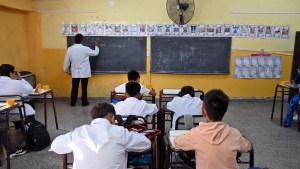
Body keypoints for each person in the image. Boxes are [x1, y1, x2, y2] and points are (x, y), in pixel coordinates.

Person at [50, 103, 151, 169]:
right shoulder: (120, 132)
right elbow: (146, 144)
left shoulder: (79, 132)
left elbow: (55, 146)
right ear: (113, 119)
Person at [174, 89, 252, 169]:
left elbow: (177, 142)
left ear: (203, 111)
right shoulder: (235, 134)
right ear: (225, 111)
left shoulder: (196, 133)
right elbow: (248, 146)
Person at [63, 33, 99, 107]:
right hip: (84, 71)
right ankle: (84, 102)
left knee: (74, 87)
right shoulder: (85, 49)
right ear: (82, 40)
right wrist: (96, 46)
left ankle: (73, 102)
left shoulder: (70, 49)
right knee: (84, 88)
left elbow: (67, 61)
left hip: (75, 71)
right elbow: (95, 53)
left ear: (75, 40)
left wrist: (66, 70)